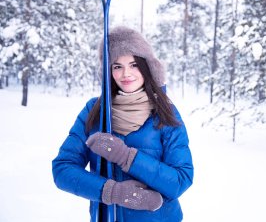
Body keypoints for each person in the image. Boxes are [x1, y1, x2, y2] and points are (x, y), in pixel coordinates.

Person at [52, 26, 194, 222]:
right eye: (117, 66)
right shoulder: (95, 110)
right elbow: (62, 169)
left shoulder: (164, 111)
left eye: (134, 64)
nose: (126, 73)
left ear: (147, 67)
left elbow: (180, 180)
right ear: (108, 71)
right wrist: (113, 192)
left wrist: (127, 157)